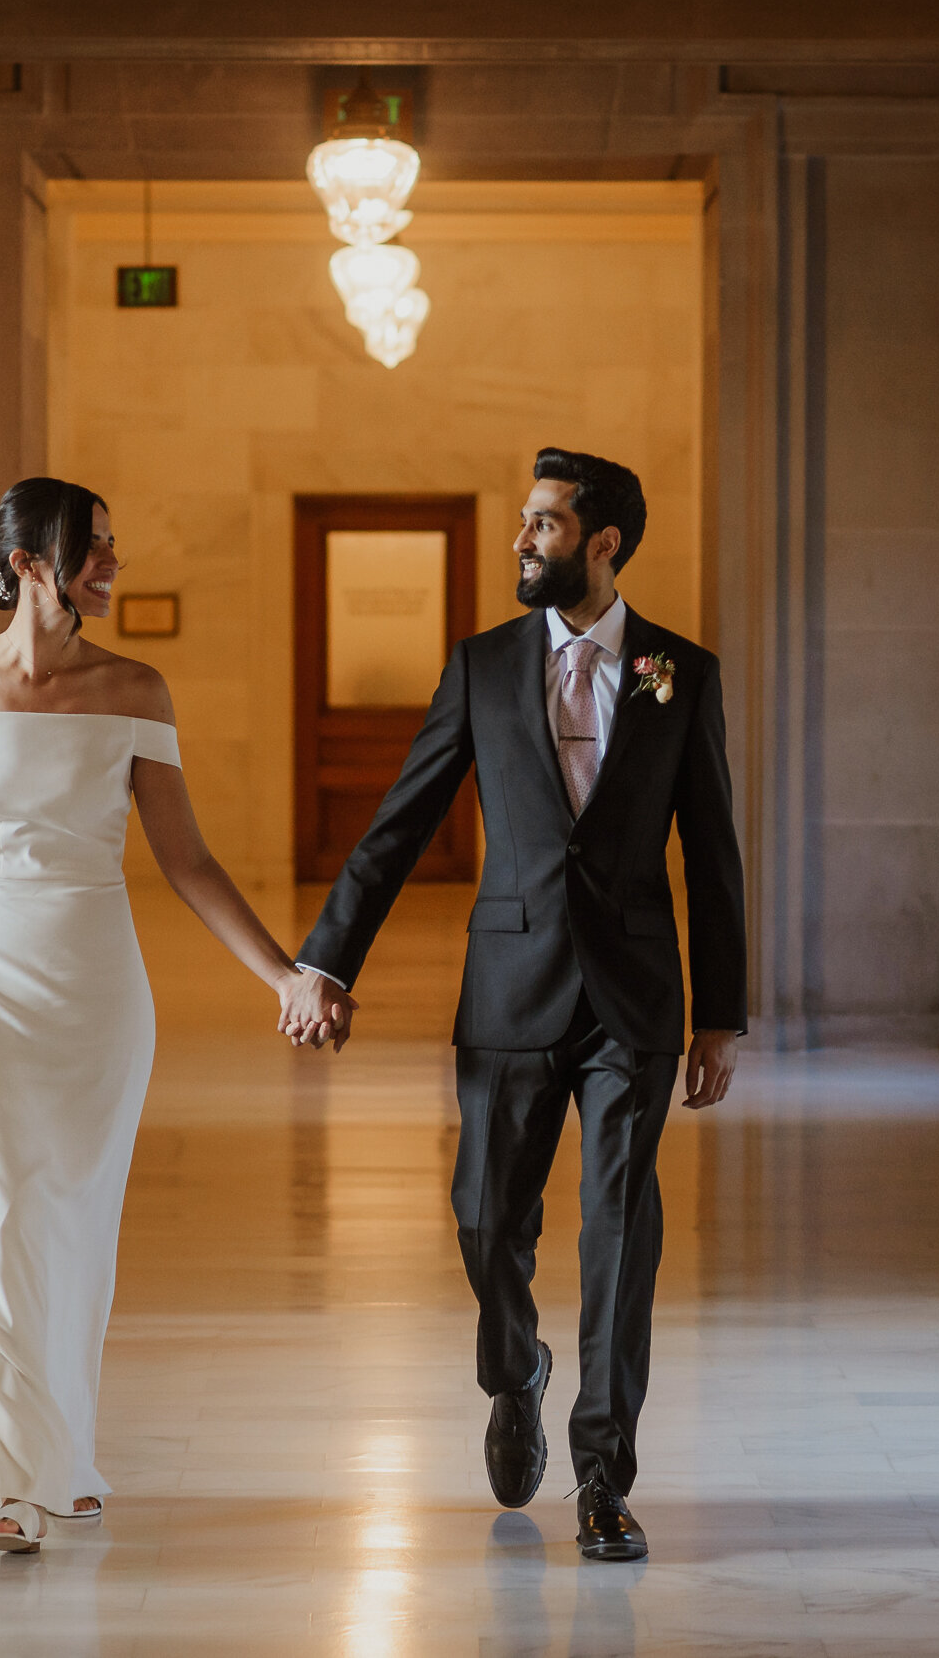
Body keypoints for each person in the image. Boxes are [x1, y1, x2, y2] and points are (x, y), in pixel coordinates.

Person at [0, 477, 342, 1553]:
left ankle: (60, 1454)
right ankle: (3, 1484)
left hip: (95, 986)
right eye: (95, 549)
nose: (113, 564)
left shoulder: (137, 691)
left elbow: (189, 861)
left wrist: (286, 974)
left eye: (113, 546)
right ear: (30, 562)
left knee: (69, 1218)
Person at [280, 448, 746, 1563]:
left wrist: (720, 1011)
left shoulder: (679, 671)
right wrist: (326, 960)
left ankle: (600, 1475)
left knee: (621, 1236)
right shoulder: (483, 666)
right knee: (488, 1223)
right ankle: (517, 1371)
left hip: (633, 1000)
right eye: (523, 523)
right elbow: (400, 820)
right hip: (507, 991)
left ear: (603, 543)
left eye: (542, 525)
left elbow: (714, 849)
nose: (521, 541)